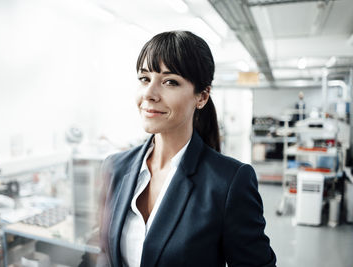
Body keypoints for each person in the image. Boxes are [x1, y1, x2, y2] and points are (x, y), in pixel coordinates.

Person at [80, 31, 276, 267]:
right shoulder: (115, 167)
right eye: (144, 78)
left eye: (169, 82)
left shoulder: (229, 183)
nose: (149, 94)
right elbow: (103, 252)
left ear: (201, 97)